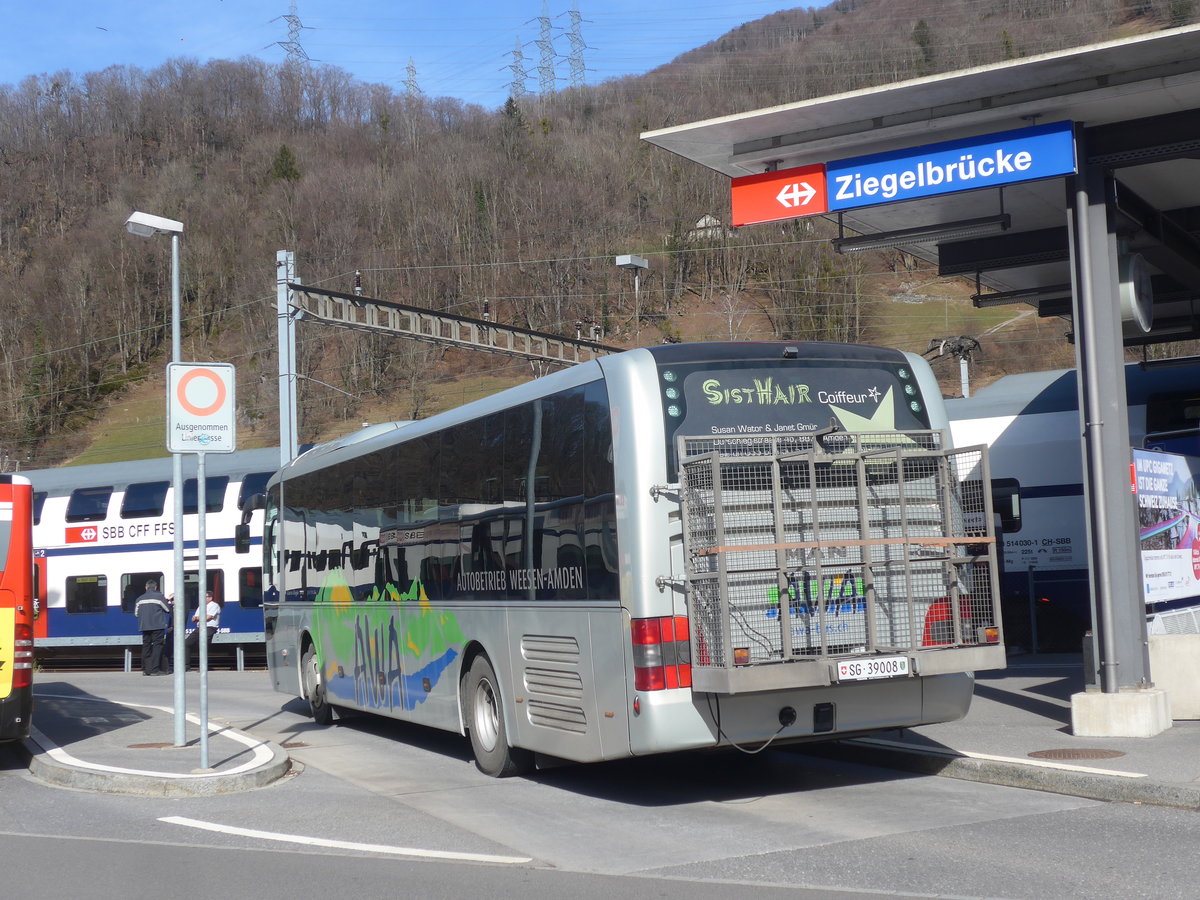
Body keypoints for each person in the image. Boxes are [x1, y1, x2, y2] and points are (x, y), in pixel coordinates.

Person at [134, 579, 171, 676]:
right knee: (157, 646)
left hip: (144, 626)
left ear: (146, 587)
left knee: (146, 646)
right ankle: (155, 670)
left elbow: (136, 614)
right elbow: (167, 609)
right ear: (155, 587)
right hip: (157, 626)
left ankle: (146, 670)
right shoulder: (159, 597)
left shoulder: (139, 599)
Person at [185, 590, 222, 670]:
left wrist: (198, 618)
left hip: (210, 627)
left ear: (210, 598)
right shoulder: (201, 606)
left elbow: (208, 617)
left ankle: (203, 667)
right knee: (186, 643)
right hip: (200, 628)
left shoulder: (214, 605)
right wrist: (197, 618)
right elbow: (193, 618)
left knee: (202, 644)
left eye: (205, 597)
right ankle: (186, 666)